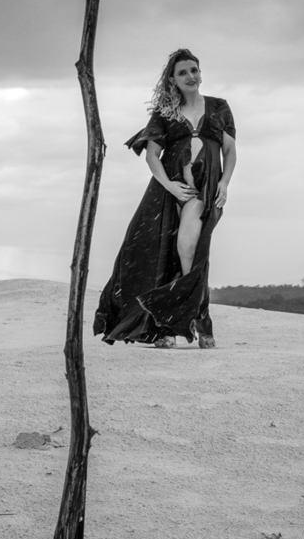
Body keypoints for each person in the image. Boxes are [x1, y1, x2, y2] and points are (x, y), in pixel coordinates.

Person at [94, 48, 236, 348]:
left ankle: (193, 315)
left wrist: (224, 182)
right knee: (155, 253)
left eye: (194, 70)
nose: (190, 76)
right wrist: (170, 187)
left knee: (187, 248)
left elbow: (229, 151)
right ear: (172, 79)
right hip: (167, 192)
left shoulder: (220, 107)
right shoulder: (165, 113)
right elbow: (152, 156)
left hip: (205, 191)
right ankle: (176, 325)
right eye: (183, 72)